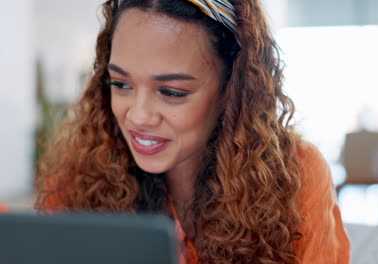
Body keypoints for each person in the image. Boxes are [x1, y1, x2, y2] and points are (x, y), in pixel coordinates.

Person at [35, 0, 351, 263]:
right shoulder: (77, 181)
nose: (139, 115)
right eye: (121, 84)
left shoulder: (296, 178)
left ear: (232, 88)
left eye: (172, 92)